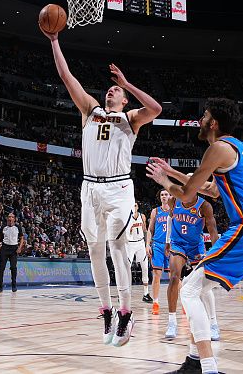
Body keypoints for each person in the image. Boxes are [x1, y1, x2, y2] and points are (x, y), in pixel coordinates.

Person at [43, 25, 162, 347]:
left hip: (119, 189)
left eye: (115, 92)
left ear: (123, 100)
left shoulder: (131, 118)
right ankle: (107, 310)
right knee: (94, 251)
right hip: (89, 189)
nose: (110, 92)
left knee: (117, 248)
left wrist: (127, 84)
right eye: (109, 89)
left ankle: (126, 312)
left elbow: (156, 109)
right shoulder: (90, 111)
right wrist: (55, 41)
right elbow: (68, 78)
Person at [147, 98, 243, 374]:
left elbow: (186, 195)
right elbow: (213, 191)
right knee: (198, 289)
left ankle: (208, 367)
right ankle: (194, 360)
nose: (200, 121)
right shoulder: (235, 147)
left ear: (213, 123)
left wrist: (163, 181)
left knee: (190, 289)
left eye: (204, 116)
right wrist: (172, 172)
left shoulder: (217, 148)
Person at [164, 195, 220, 342]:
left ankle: (213, 323)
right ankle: (172, 322)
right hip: (178, 243)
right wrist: (168, 240)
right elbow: (170, 218)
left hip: (196, 246)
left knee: (204, 284)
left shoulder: (204, 206)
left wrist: (217, 252)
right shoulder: (174, 200)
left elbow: (212, 229)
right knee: (174, 277)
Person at [146, 189, 171, 315]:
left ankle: (184, 302)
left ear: (170, 196)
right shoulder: (155, 211)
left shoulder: (175, 210)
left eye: (166, 194)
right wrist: (147, 245)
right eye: (162, 194)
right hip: (157, 245)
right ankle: (155, 303)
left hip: (171, 246)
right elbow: (150, 230)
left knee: (175, 277)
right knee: (156, 274)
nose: (164, 196)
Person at [125, 202, 151, 303]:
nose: (134, 207)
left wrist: (147, 244)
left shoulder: (142, 216)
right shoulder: (126, 218)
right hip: (130, 244)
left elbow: (144, 230)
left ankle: (146, 293)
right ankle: (125, 293)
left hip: (140, 243)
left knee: (145, 268)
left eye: (135, 205)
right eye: (132, 205)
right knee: (127, 268)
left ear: (138, 206)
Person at [0, 213, 25, 293]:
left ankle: (14, 285)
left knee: (13, 268)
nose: (10, 218)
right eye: (9, 217)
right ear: (7, 218)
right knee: (1, 268)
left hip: (14, 249)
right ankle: (0, 287)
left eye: (12, 217)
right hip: (4, 248)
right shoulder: (3, 227)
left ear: (14, 219)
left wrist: (20, 247)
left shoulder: (18, 227)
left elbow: (21, 238)